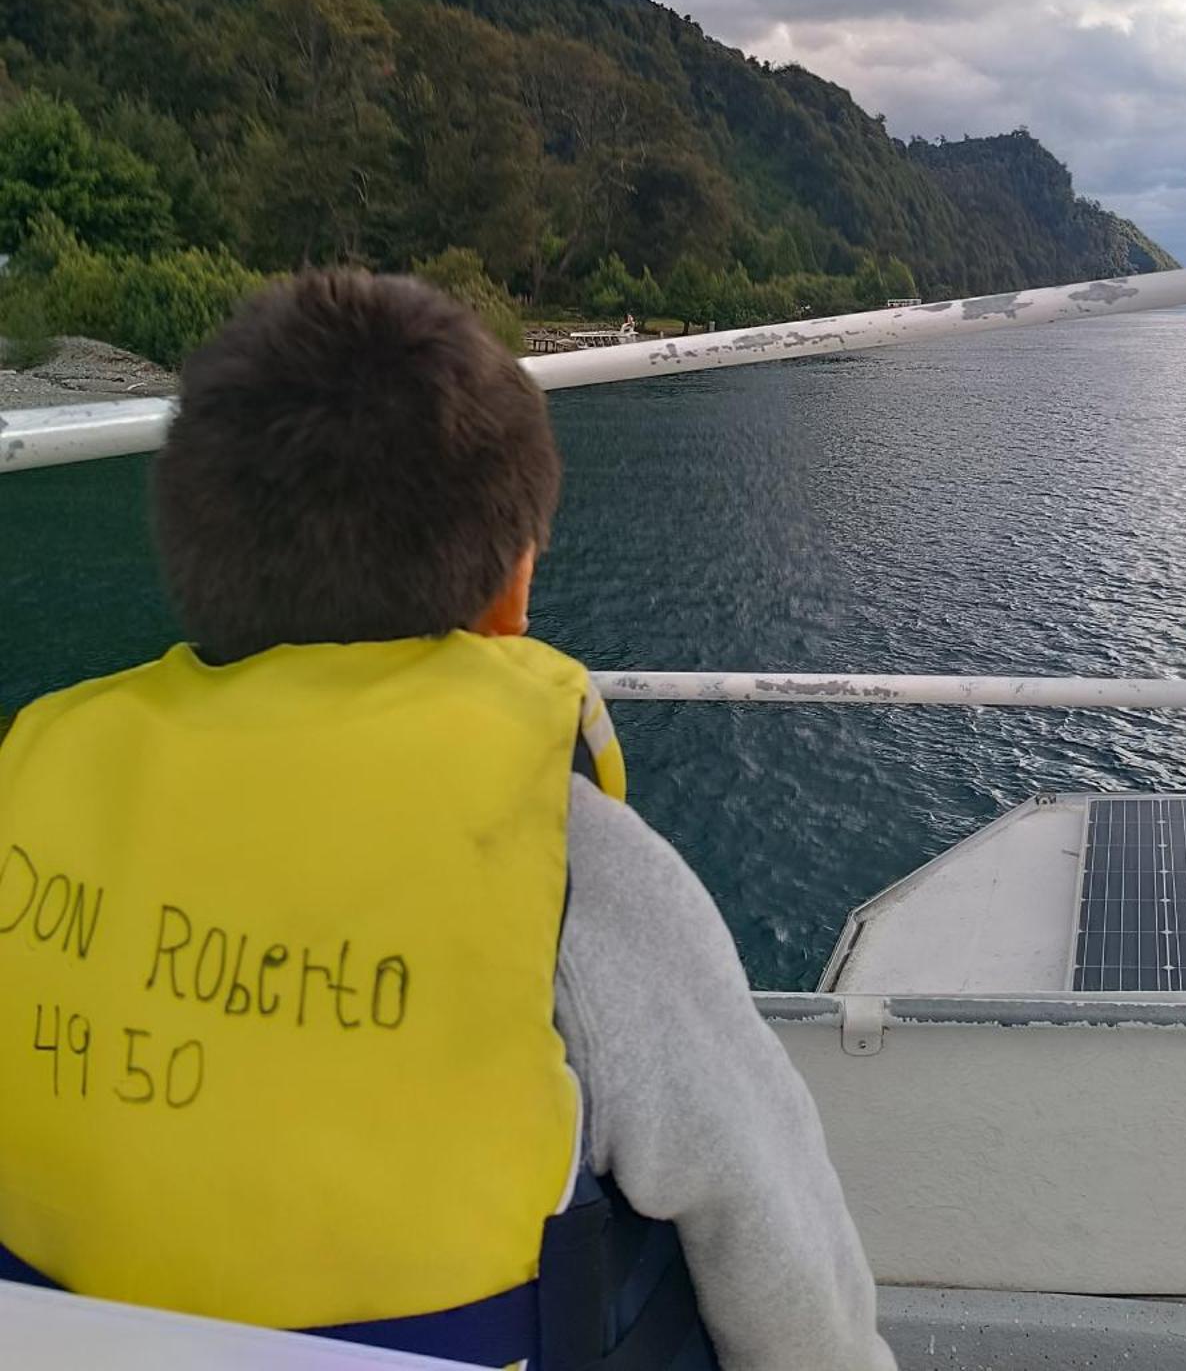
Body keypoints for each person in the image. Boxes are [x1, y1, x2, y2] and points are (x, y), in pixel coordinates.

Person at [0, 270, 894, 1371]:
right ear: (512, 598)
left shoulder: (29, 794)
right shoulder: (577, 871)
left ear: (193, 562)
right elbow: (776, 1241)